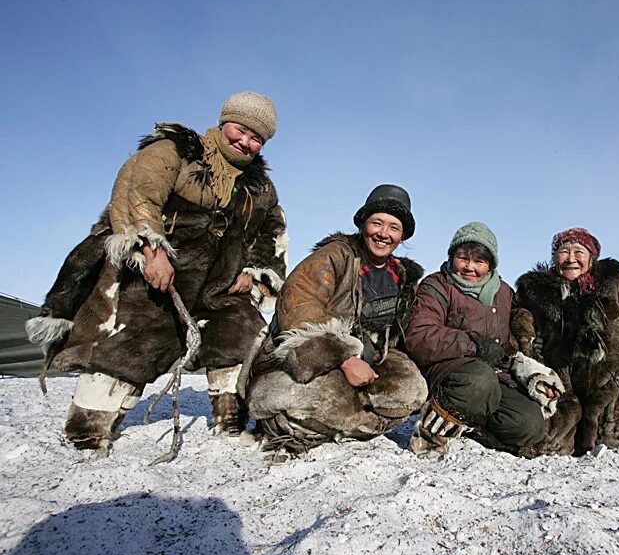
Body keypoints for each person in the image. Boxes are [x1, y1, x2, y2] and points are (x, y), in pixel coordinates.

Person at [26, 92, 287, 452]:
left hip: (219, 283)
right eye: (241, 129)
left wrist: (256, 272)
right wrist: (152, 250)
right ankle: (87, 431)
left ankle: (230, 421)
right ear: (224, 121)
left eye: (257, 137)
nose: (245, 141)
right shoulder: (175, 151)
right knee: (134, 342)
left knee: (245, 333)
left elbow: (272, 230)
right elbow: (136, 194)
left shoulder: (260, 187)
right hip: (155, 276)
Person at [244, 184, 426, 460]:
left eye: (393, 227)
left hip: (370, 360)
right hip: (308, 361)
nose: (383, 233)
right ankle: (285, 425)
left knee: (413, 390)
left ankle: (331, 425)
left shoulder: (401, 275)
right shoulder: (335, 256)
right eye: (377, 222)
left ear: (402, 237)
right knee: (306, 400)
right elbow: (298, 308)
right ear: (364, 224)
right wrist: (343, 358)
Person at [404, 222, 566, 456]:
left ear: (490, 264)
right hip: (447, 370)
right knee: (480, 380)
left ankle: (470, 426)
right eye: (463, 258)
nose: (470, 267)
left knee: (529, 424)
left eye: (479, 261)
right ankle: (431, 433)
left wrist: (530, 372)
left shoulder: (504, 292)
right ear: (452, 257)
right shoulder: (437, 285)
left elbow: (511, 344)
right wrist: (474, 345)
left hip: (492, 375)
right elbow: (419, 336)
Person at [512, 227, 619, 456]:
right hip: (559, 384)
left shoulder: (613, 284)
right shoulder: (534, 291)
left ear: (591, 257)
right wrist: (532, 351)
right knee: (548, 442)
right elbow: (518, 325)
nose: (571, 258)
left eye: (579, 251)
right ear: (554, 257)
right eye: (564, 251)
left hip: (607, 384)